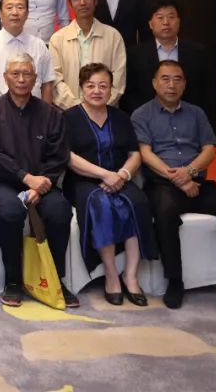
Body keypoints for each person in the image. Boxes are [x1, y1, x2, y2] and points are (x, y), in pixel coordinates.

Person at [132, 60, 216, 311]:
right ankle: (175, 281)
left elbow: (209, 150)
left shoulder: (196, 113)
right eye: (165, 79)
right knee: (165, 213)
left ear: (185, 84)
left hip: (197, 182)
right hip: (162, 184)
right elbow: (145, 154)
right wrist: (178, 178)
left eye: (177, 79)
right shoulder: (142, 114)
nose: (171, 85)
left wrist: (189, 173)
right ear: (154, 83)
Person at [0, 53, 78, 308]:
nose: (21, 79)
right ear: (5, 78)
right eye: (15, 74)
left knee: (59, 211)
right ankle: (13, 280)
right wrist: (25, 178)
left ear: (35, 79)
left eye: (27, 74)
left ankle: (55, 278)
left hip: (43, 182)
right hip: (4, 182)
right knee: (11, 212)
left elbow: (58, 155)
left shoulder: (50, 114)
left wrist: (41, 183)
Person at [62, 63, 156, 306]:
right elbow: (69, 158)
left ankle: (131, 276)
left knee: (137, 203)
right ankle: (112, 275)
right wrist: (105, 175)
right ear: (81, 88)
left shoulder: (121, 117)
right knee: (102, 204)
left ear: (111, 89)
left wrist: (122, 174)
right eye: (90, 85)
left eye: (103, 86)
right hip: (83, 181)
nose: (97, 91)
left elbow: (134, 154)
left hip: (120, 177)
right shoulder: (69, 117)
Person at [127, 1, 214, 124]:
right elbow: (130, 94)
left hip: (188, 122)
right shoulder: (135, 54)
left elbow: (207, 92)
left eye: (171, 17)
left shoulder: (197, 53)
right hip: (148, 122)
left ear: (179, 22)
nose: (166, 22)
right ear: (151, 24)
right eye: (160, 17)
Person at [49, 0, 126, 110]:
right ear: (70, 4)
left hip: (106, 111)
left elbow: (118, 79)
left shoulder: (113, 36)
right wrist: (78, 109)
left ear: (95, 1)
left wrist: (99, 106)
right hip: (69, 112)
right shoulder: (57, 39)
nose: (82, 3)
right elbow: (55, 80)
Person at [0, 0, 55, 106]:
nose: (15, 12)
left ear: (27, 14)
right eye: (9, 7)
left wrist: (46, 115)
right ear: (0, 14)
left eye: (20, 7)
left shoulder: (39, 46)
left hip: (33, 113)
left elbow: (47, 84)